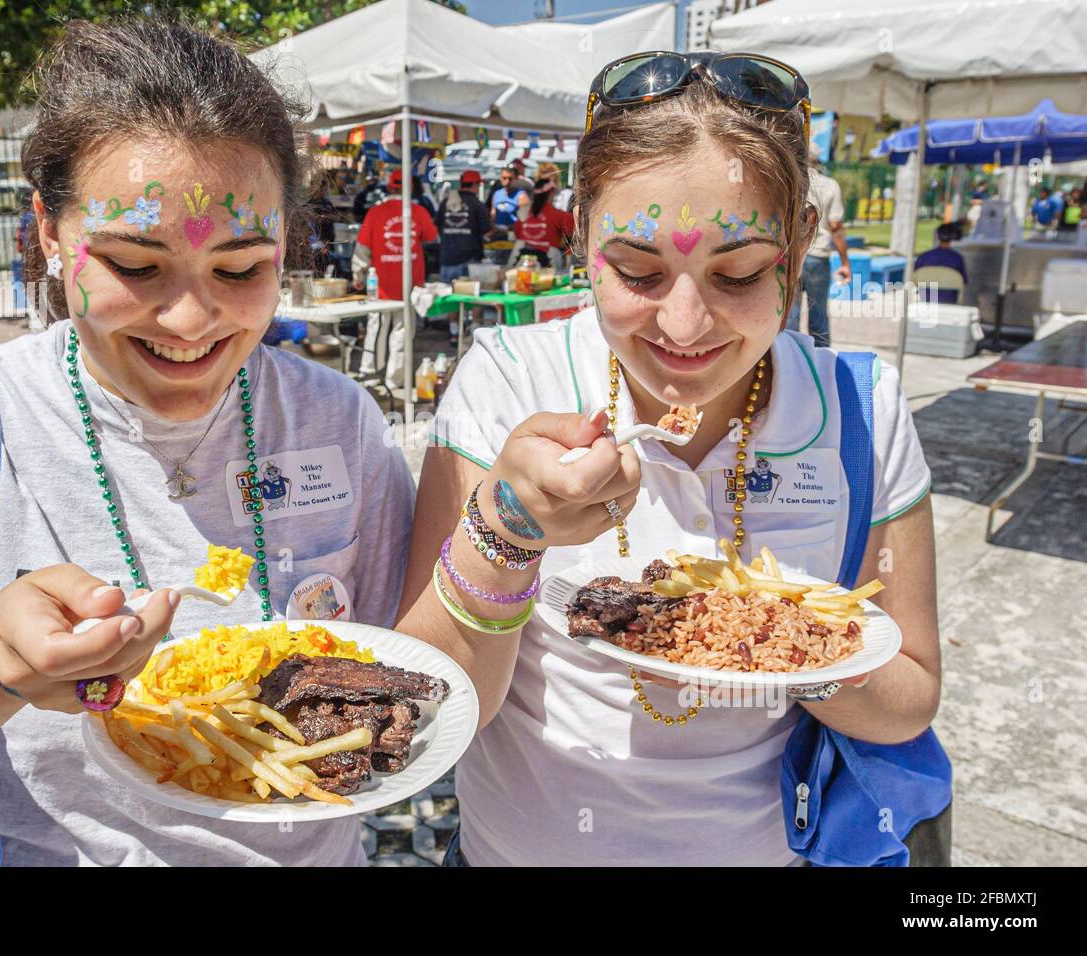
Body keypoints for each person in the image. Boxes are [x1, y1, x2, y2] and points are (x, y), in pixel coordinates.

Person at [0, 17, 415, 866]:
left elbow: (413, 674)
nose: (192, 323)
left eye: (240, 268)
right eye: (134, 263)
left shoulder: (339, 420)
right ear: (49, 231)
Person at [397, 51, 940, 867]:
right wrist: (505, 530)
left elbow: (909, 700)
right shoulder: (511, 379)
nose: (685, 327)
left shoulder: (861, 412)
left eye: (740, 273)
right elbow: (434, 705)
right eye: (639, 271)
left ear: (799, 246)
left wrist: (788, 645)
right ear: (582, 239)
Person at [352, 168, 439, 381]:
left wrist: (358, 275)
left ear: (390, 186)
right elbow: (432, 237)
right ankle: (395, 378)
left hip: (379, 284)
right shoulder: (418, 211)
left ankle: (369, 371)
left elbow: (362, 248)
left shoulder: (375, 212)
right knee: (403, 330)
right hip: (409, 284)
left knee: (376, 328)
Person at [785, 145, 850, 348]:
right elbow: (836, 227)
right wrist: (845, 262)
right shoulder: (830, 186)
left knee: (790, 314)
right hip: (818, 257)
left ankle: (789, 359)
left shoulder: (790, 182)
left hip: (792, 256)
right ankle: (821, 366)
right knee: (819, 315)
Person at [436, 169, 493, 283]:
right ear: (475, 184)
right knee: (465, 298)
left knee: (446, 298)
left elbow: (436, 227)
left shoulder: (445, 203)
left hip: (446, 259)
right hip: (469, 261)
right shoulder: (478, 205)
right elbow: (487, 231)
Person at [511, 177, 576, 269]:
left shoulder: (523, 211)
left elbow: (517, 233)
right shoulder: (559, 215)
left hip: (519, 257)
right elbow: (573, 236)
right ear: (551, 193)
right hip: (548, 260)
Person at [913, 222, 969, 304]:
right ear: (953, 238)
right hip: (950, 300)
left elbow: (915, 278)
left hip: (925, 298)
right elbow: (963, 281)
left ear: (938, 237)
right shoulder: (957, 258)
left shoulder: (923, 257)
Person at [487, 161, 531, 237]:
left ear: (516, 179)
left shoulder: (522, 196)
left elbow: (525, 222)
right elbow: (492, 216)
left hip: (513, 236)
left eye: (510, 179)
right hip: (497, 236)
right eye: (504, 178)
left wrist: (508, 228)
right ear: (500, 178)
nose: (507, 181)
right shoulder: (497, 194)